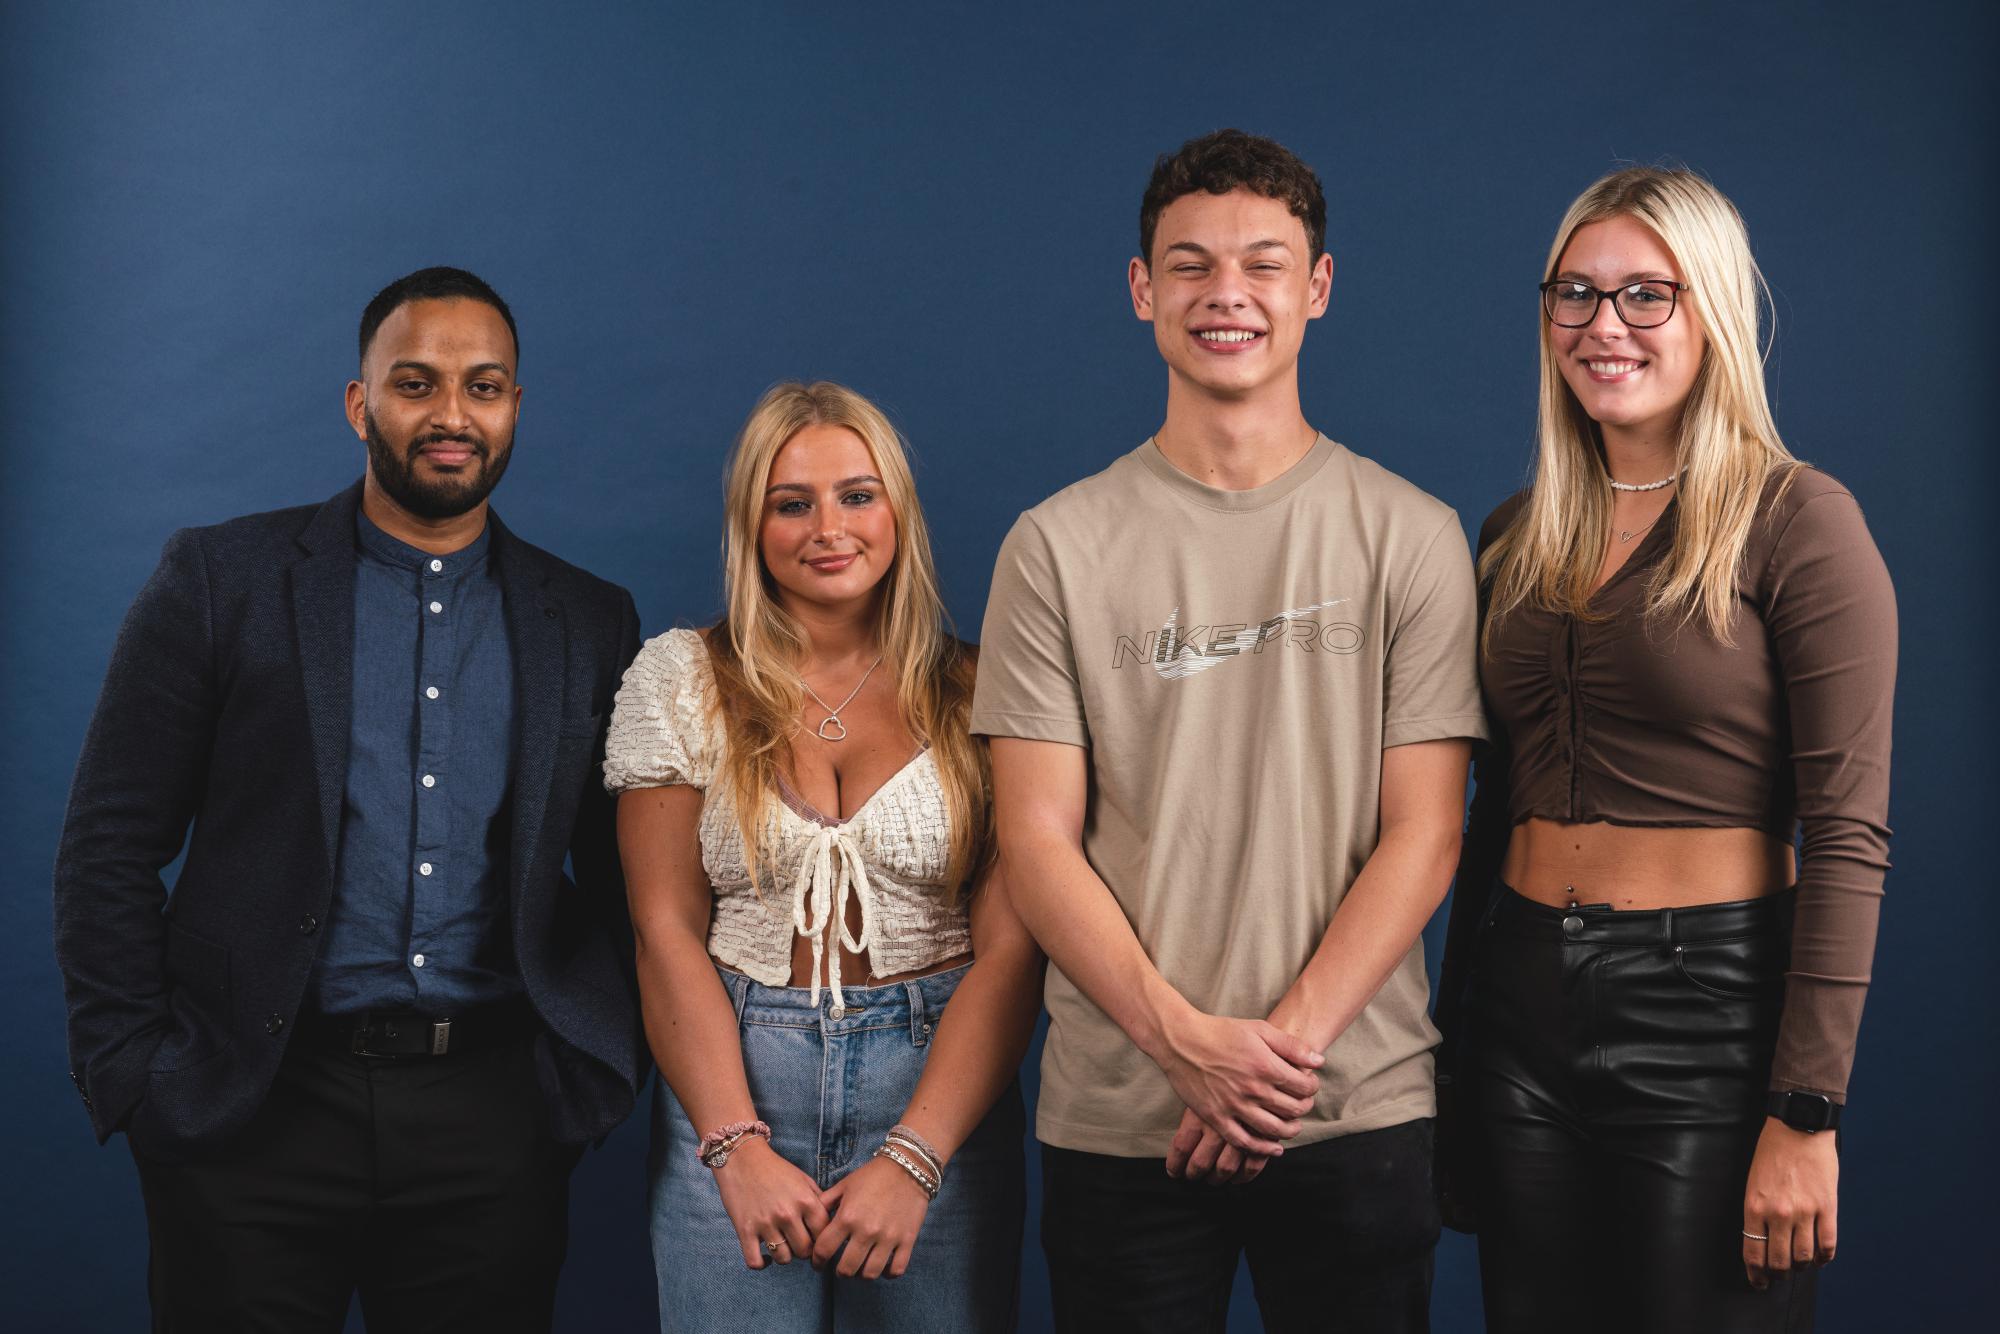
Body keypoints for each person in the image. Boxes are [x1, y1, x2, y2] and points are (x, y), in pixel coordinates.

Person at [52, 266, 645, 1332]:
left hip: (493, 1117)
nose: (452, 414)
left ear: (515, 407)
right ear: (358, 402)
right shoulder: (221, 578)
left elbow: (625, 877)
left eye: (485, 385)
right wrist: (135, 1070)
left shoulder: (588, 619)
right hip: (253, 1104)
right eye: (415, 383)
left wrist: (592, 1071)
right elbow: (108, 842)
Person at [972, 128, 1485, 1333]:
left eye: (1262, 264)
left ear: (1315, 287)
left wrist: (1267, 1061)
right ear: (1142, 289)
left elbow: (1425, 832)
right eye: (1190, 264)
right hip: (1119, 1113)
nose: (1226, 295)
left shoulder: (1409, 534)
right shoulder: (1052, 547)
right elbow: (1035, 842)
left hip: (1351, 1100)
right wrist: (1178, 1041)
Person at [1432, 167, 1897, 1333]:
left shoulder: (1799, 519)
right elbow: (1485, 810)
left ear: (1712, 311)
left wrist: (1805, 1108)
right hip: (1519, 1007)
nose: (1602, 327)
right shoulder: (1511, 533)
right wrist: (1451, 1047)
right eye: (1574, 293)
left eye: (1646, 295)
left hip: (1710, 1015)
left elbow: (1845, 832)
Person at [605, 381, 1041, 1332]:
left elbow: (1011, 954)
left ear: (899, 512)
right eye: (791, 502)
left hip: (938, 1088)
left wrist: (915, 1157)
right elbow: (664, 929)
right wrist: (733, 1146)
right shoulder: (679, 678)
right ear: (751, 526)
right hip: (732, 1075)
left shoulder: (986, 690)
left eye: (857, 494)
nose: (827, 527)